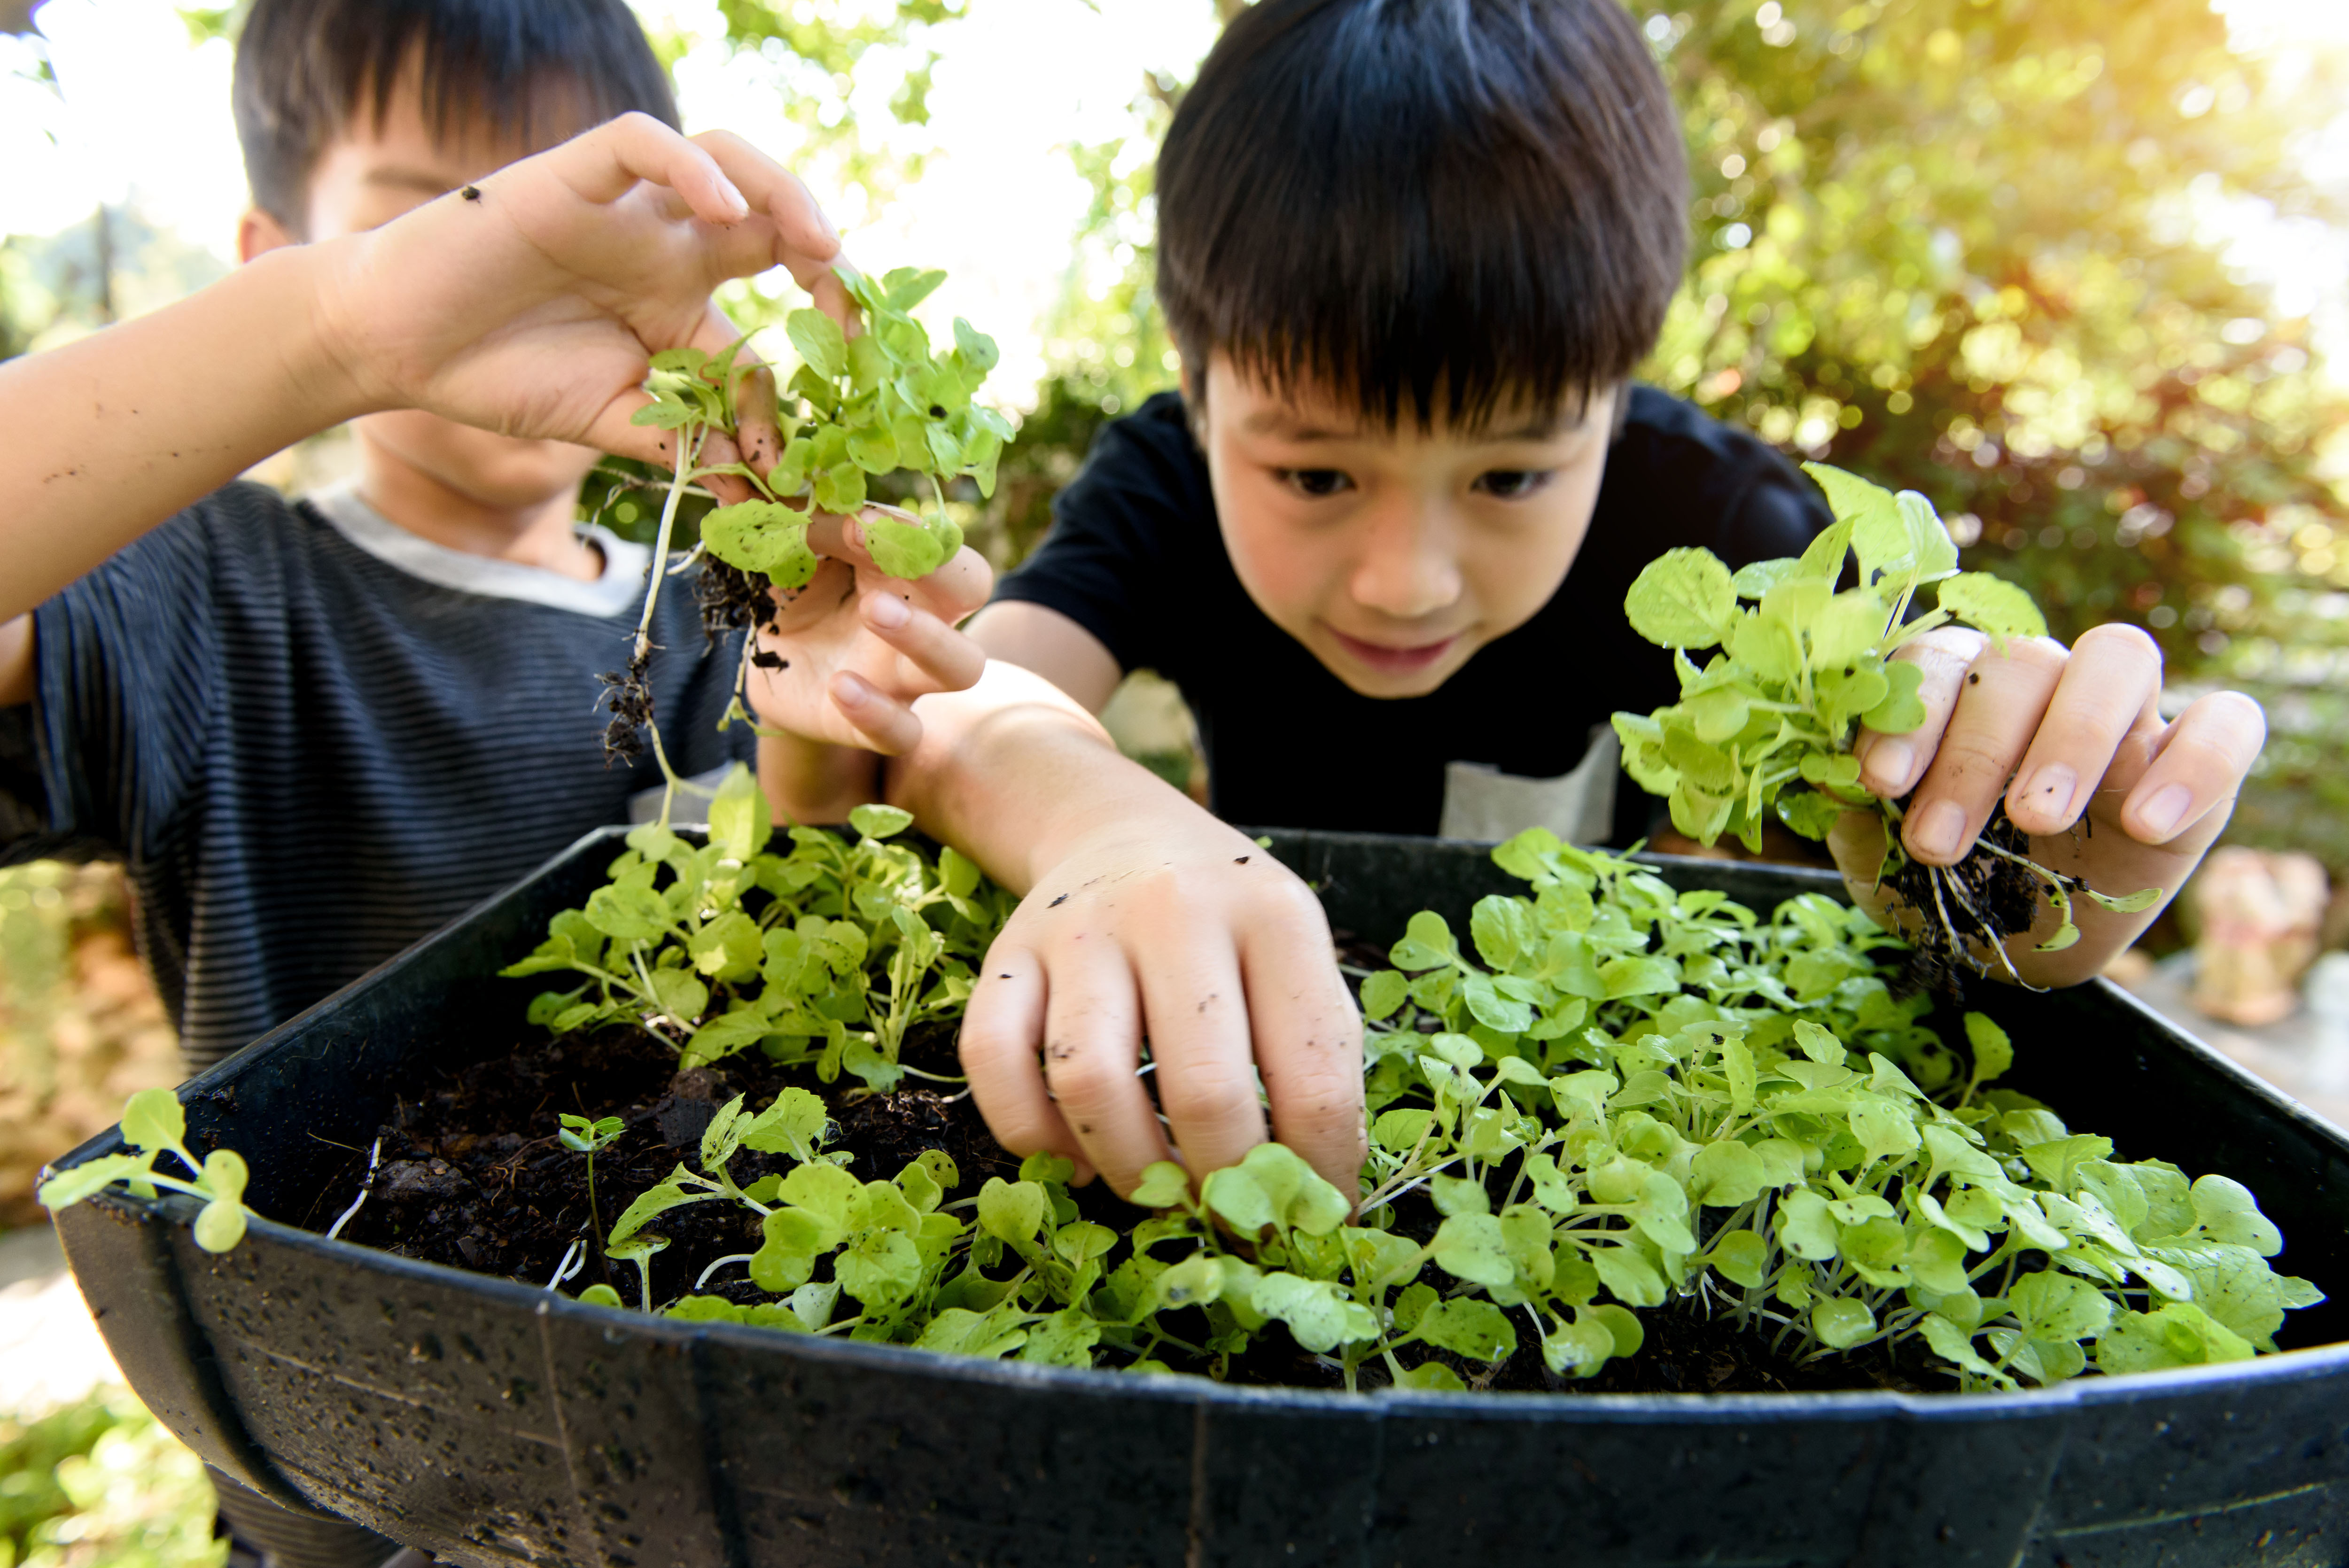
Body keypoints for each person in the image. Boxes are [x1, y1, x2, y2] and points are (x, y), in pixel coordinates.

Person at [749, 0, 2270, 1204]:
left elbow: (1908, 804)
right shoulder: (1159, 481)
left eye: (1513, 480)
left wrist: (2017, 862)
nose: (1407, 576)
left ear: (1614, 399)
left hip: (1587, 1123)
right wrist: (1104, 820)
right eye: (1317, 477)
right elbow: (952, 697)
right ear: (1204, 394)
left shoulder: (1724, 526)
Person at [0, 2, 980, 1561]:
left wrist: (817, 680)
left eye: (570, 218)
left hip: (676, 1475)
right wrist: (330, 339)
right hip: (344, 1478)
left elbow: (787, 931)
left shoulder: (703, 604)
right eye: (438, 218)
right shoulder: (208, 592)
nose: (523, 274)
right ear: (279, 254)